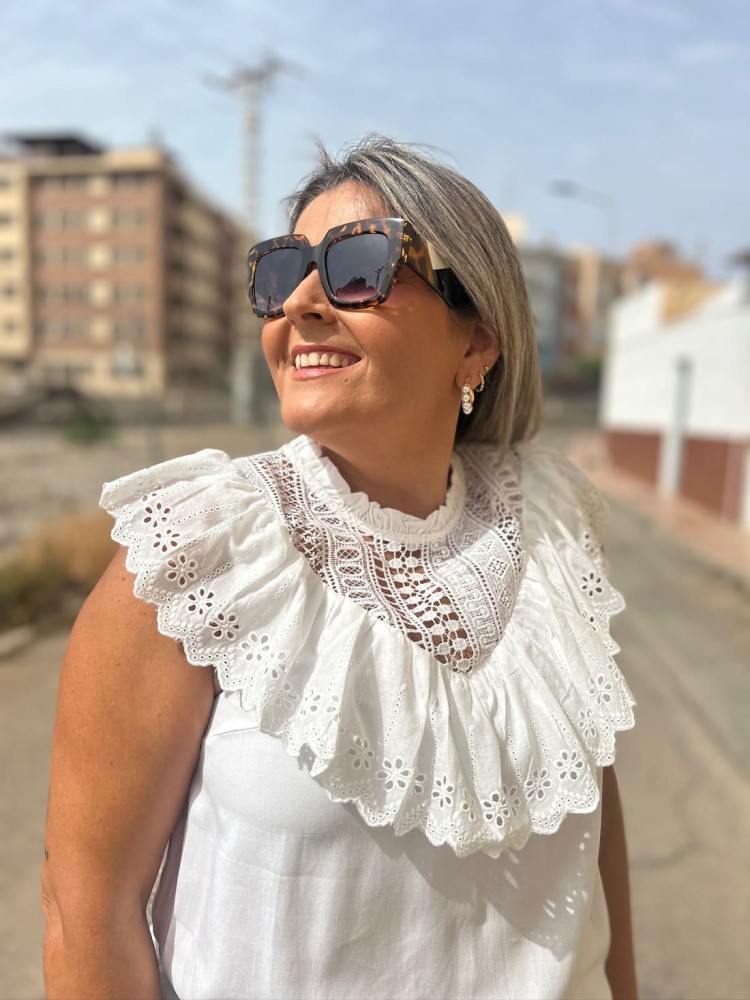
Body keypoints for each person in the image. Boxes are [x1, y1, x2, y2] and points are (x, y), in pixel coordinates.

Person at [42, 135, 637, 1000]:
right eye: (282, 273)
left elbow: (589, 807)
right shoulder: (198, 552)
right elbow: (85, 912)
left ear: (477, 340)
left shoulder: (553, 525)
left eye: (360, 267)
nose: (300, 303)